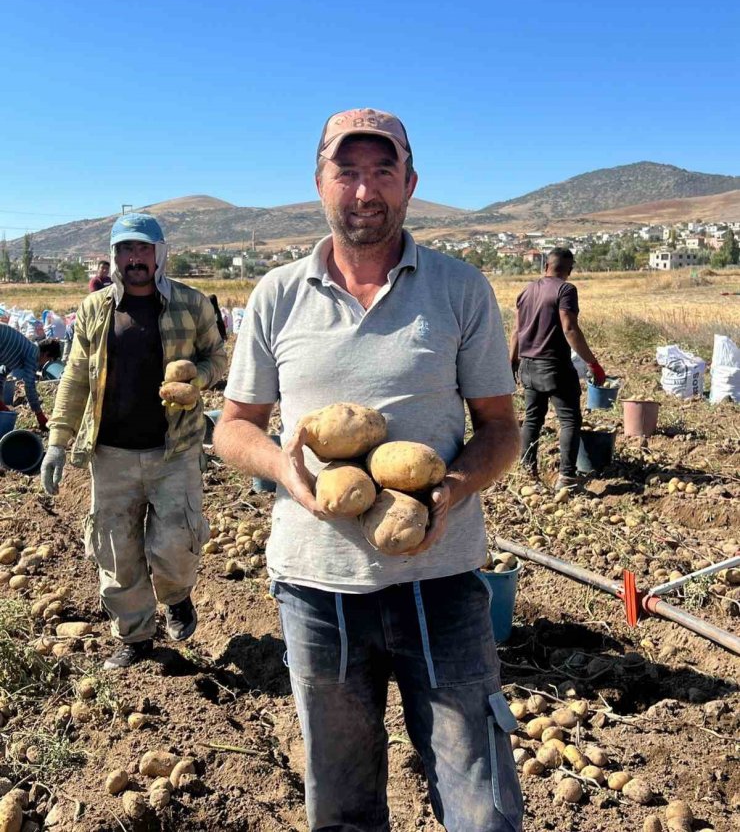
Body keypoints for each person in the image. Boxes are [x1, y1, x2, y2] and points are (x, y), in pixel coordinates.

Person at [214, 108, 524, 832]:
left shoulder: (459, 288)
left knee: (483, 805)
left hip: (442, 584)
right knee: (343, 807)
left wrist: (455, 485)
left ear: (410, 182)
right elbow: (234, 426)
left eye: (382, 170)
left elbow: (503, 428)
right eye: (346, 171)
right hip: (318, 591)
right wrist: (287, 472)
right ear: (319, 183)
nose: (364, 189)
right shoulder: (277, 295)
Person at [39, 213, 226, 670]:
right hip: (112, 454)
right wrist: (58, 442)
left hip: (175, 449)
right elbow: (76, 377)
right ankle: (135, 637)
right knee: (116, 551)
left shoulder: (191, 303)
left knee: (175, 544)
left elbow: (218, 357)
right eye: (126, 249)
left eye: (144, 249)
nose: (135, 258)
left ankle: (177, 596)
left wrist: (197, 380)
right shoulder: (95, 308)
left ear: (160, 254)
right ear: (114, 256)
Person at [509, 247, 606, 490]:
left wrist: (512, 363)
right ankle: (567, 477)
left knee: (532, 420)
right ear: (569, 270)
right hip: (554, 367)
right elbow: (569, 328)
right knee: (570, 420)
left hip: (528, 366)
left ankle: (527, 472)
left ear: (546, 267)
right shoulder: (566, 289)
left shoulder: (527, 290)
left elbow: (515, 332)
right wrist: (592, 363)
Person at [0, 323, 56, 429]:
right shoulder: (33, 355)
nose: (44, 363)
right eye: (48, 360)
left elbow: (2, 372)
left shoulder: (20, 352)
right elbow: (29, 386)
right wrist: (40, 415)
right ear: (46, 354)